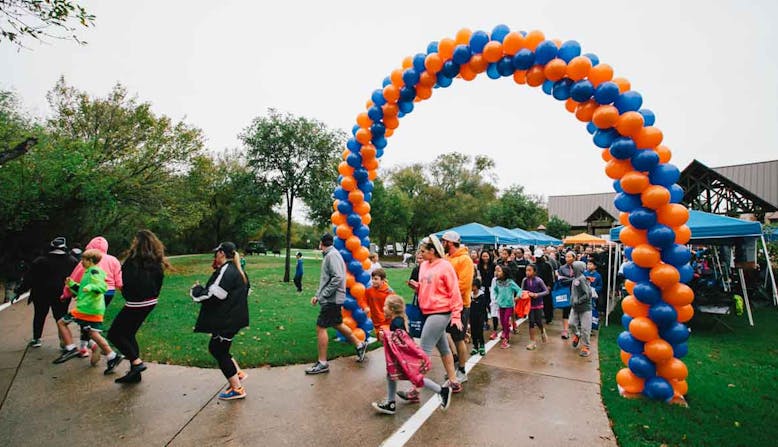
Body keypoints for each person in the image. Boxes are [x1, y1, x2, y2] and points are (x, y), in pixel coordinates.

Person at [397, 235, 463, 402]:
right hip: (428, 311)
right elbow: (430, 288)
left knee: (423, 350)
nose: (420, 254)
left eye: (423, 251)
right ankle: (454, 382)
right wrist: (417, 287)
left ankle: (414, 390)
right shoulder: (424, 266)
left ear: (432, 251)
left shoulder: (445, 266)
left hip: (441, 312)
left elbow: (454, 291)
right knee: (444, 349)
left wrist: (456, 316)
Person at [371, 295, 451, 415]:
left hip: (404, 358)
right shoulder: (397, 320)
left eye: (385, 305)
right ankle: (391, 403)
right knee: (391, 375)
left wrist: (385, 334)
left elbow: (399, 339)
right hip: (400, 357)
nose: (383, 308)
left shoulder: (396, 322)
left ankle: (442, 390)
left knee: (416, 378)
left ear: (392, 309)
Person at [190, 242, 250, 400]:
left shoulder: (227, 271)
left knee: (218, 350)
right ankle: (237, 373)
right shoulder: (237, 269)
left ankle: (237, 389)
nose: (215, 256)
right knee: (219, 348)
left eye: (216, 253)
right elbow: (245, 291)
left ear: (222, 253)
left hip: (228, 321)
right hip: (232, 319)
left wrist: (196, 290)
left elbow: (214, 294)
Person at [108, 230, 169, 384]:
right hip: (150, 302)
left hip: (136, 303)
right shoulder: (156, 261)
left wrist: (127, 294)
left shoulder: (132, 261)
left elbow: (125, 283)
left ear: (138, 242)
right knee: (128, 334)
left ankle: (136, 363)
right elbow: (159, 282)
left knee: (114, 334)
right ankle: (135, 374)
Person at [305, 233, 368, 375]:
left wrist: (323, 295)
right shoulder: (331, 254)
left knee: (321, 327)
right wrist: (317, 295)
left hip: (331, 300)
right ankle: (359, 344)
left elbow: (338, 278)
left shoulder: (331, 256)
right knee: (336, 323)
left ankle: (322, 363)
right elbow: (327, 279)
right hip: (332, 298)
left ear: (321, 243)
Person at [53, 249, 123, 374]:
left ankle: (70, 348)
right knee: (93, 334)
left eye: (83, 260)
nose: (81, 262)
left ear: (90, 261)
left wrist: (91, 287)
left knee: (61, 323)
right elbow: (81, 290)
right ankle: (112, 356)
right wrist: (72, 284)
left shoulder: (94, 271)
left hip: (87, 308)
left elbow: (102, 287)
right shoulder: (88, 272)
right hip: (92, 308)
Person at [15, 237, 78, 348]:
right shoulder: (72, 261)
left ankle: (37, 339)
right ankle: (64, 341)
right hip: (62, 294)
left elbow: (29, 279)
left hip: (40, 293)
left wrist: (20, 291)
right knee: (61, 317)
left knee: (39, 315)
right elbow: (77, 278)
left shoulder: (40, 261)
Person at [441, 230, 473, 385]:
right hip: (445, 304)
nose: (442, 244)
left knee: (458, 338)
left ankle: (462, 370)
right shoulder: (446, 258)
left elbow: (464, 284)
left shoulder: (465, 260)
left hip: (461, 305)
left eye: (444, 241)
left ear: (450, 243)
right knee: (445, 336)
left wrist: (444, 291)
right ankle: (454, 367)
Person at [62, 236, 123, 307]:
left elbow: (75, 278)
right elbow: (119, 282)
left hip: (91, 291)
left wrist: (66, 294)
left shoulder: (88, 259)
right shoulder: (114, 260)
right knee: (98, 313)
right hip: (109, 292)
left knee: (86, 314)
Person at [491, 264, 521, 349]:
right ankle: (505, 331)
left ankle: (506, 339)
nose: (497, 273)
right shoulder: (497, 282)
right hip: (501, 305)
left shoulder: (510, 282)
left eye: (500, 271)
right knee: (503, 321)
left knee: (505, 320)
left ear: (505, 273)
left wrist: (517, 297)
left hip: (509, 305)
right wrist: (497, 298)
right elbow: (495, 290)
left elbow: (519, 290)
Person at [568, 261, 594, 357]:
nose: (571, 270)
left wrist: (578, 301)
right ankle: (577, 335)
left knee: (585, 328)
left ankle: (586, 347)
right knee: (571, 323)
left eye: (572, 268)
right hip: (575, 307)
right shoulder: (576, 278)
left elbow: (587, 294)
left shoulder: (581, 279)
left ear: (577, 269)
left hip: (585, 308)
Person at [522, 264, 549, 351]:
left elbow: (546, 291)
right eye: (526, 270)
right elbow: (521, 290)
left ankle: (542, 330)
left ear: (534, 272)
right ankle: (532, 341)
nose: (527, 272)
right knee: (531, 321)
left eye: (529, 270)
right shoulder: (525, 280)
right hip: (529, 304)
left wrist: (536, 294)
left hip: (538, 303)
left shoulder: (539, 281)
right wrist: (525, 293)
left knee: (538, 321)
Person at [366, 268, 394, 335]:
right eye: (372, 279)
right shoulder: (369, 290)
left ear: (383, 280)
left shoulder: (389, 292)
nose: (373, 281)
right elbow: (363, 300)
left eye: (376, 279)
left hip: (385, 321)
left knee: (384, 338)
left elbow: (393, 307)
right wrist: (365, 307)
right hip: (374, 319)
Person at [556, 251, 576, 339]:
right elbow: (561, 280)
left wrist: (570, 279)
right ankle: (565, 330)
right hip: (566, 291)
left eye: (569, 257)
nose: (567, 258)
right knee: (566, 310)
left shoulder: (578, 267)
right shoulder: (562, 268)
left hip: (576, 292)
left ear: (574, 258)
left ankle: (575, 329)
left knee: (575, 310)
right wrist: (572, 279)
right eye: (566, 257)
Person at [477, 251, 496, 337]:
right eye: (483, 256)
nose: (485, 258)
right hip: (483, 287)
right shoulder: (479, 265)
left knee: (491, 305)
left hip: (491, 287)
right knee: (482, 306)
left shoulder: (493, 265)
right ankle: (486, 322)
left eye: (486, 256)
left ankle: (495, 323)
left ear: (489, 256)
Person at [469, 278, 486, 356]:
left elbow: (483, 308)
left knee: (479, 331)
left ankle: (482, 346)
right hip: (472, 316)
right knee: (473, 331)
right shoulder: (470, 295)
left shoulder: (482, 295)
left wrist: (484, 318)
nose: (472, 287)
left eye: (473, 286)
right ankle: (475, 346)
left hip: (480, 316)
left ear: (477, 286)